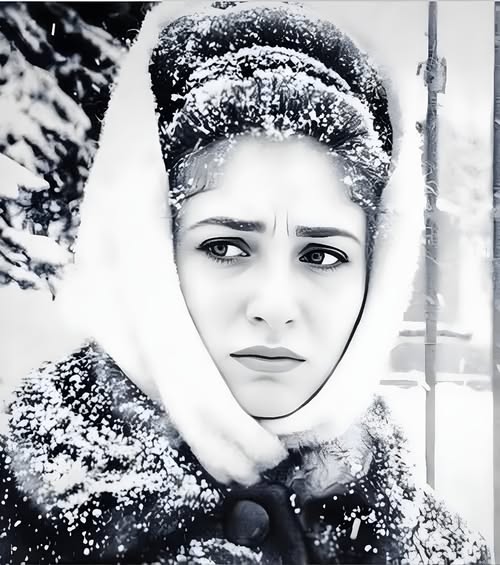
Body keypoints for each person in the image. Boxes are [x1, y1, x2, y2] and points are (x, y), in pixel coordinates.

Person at [0, 2, 491, 563]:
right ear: (147, 255)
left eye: (323, 255)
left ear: (377, 276)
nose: (275, 304)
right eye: (225, 247)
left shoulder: (443, 549)